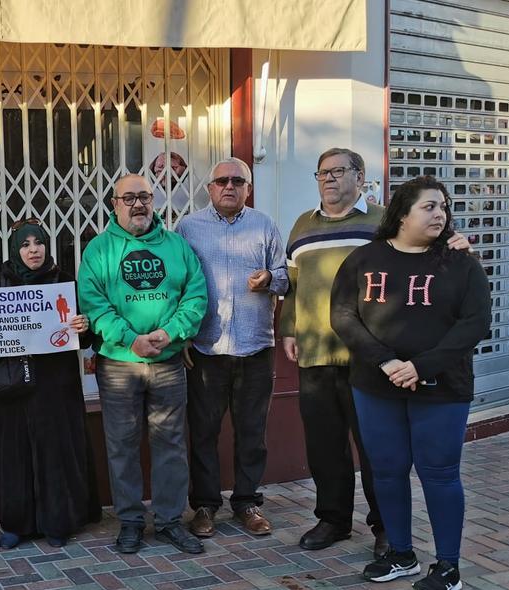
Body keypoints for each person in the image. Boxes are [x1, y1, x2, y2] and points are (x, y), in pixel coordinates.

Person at [279, 148, 471, 556]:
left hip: (369, 359)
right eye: (322, 172)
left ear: (360, 176)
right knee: (324, 444)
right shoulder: (301, 224)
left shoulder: (384, 221)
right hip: (315, 351)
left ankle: (387, 527)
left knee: (376, 450)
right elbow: (294, 286)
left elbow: (422, 252)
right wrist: (289, 329)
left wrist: (455, 243)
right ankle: (333, 519)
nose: (328, 179)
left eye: (337, 171)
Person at [330, 176, 490, 590]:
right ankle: (401, 553)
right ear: (402, 213)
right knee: (386, 470)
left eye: (442, 207)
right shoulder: (364, 259)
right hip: (375, 385)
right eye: (429, 207)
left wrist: (419, 366)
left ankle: (448, 566)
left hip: (442, 388)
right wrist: (385, 360)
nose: (439, 214)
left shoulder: (461, 263)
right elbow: (344, 315)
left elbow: (474, 323)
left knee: (439, 474)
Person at [78, 174, 209, 555]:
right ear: (114, 204)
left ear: (154, 201)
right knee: (122, 444)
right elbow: (93, 302)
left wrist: (170, 333)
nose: (138, 204)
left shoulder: (177, 247)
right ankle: (131, 521)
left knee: (170, 443)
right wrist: (130, 338)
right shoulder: (99, 251)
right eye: (129, 198)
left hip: (168, 363)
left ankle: (169, 521)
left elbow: (195, 295)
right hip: (119, 365)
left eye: (145, 197)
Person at [0, 220, 101, 549]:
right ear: (16, 249)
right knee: (15, 454)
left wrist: (83, 326)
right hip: (13, 391)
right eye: (25, 244)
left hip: (57, 388)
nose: (33, 250)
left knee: (55, 452)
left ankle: (58, 521)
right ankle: (16, 524)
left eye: (38, 243)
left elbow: (86, 339)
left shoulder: (64, 283)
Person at [176, 158, 287, 538]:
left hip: (255, 346)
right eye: (221, 180)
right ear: (209, 188)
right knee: (203, 431)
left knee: (252, 431)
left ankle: (247, 503)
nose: (229, 186)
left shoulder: (265, 225)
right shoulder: (188, 227)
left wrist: (271, 277)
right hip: (205, 349)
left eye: (237, 181)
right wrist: (184, 337)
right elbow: (178, 285)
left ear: (248, 187)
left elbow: (286, 276)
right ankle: (205, 505)